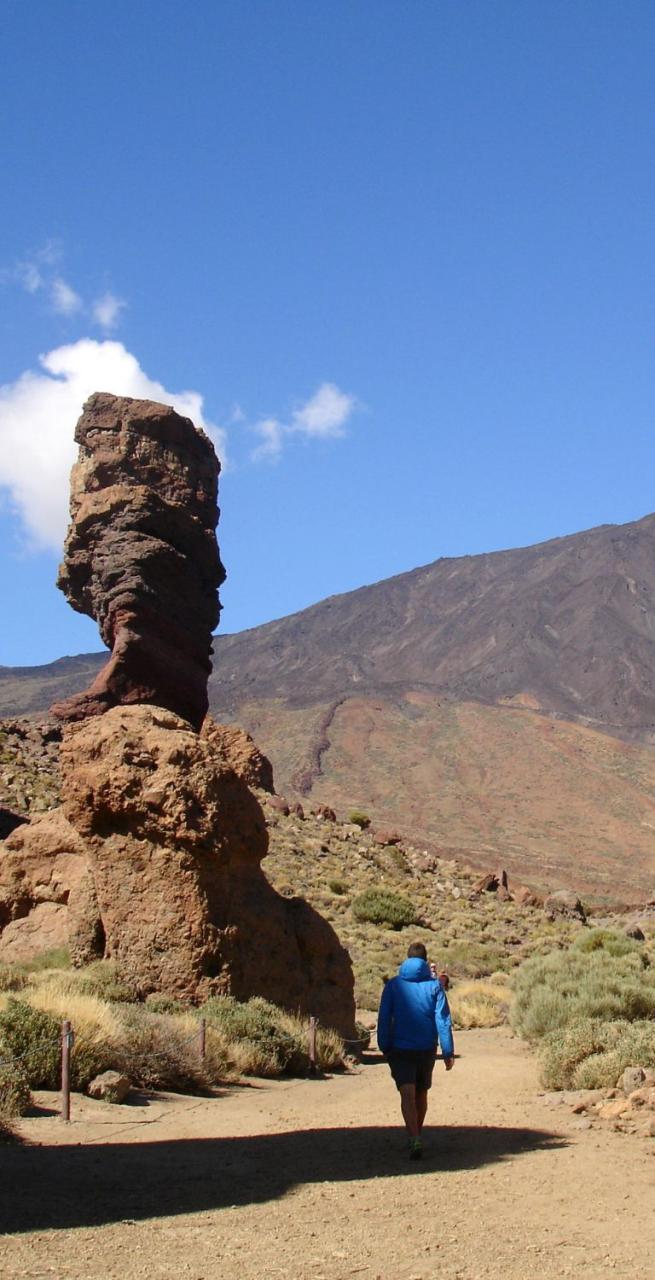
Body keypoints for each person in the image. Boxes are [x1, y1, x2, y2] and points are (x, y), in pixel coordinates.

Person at [377, 941, 454, 1160]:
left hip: (400, 1049)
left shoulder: (393, 986)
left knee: (407, 1093)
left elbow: (383, 1017)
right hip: (426, 1048)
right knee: (421, 1092)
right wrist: (447, 1051)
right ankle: (416, 1134)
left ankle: (414, 1137)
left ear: (407, 959)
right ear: (425, 960)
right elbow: (443, 1020)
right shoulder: (435, 987)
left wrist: (384, 1045)